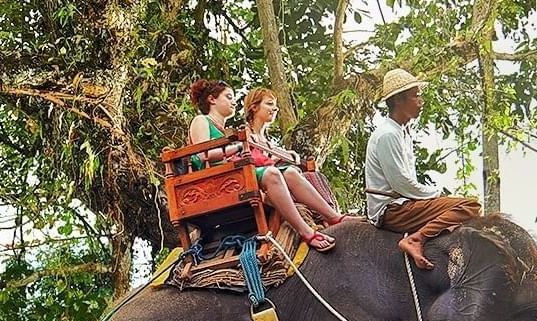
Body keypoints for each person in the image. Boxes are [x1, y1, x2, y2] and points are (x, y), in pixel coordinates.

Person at [188, 79, 336, 252]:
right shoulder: (201, 120)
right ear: (212, 99)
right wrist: (237, 147)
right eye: (228, 97)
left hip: (231, 175)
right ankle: (306, 232)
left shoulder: (224, 130)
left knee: (289, 172)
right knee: (272, 174)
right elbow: (201, 154)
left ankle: (333, 216)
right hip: (215, 182)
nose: (234, 101)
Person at [365, 68, 482, 270]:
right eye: (416, 96)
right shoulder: (388, 135)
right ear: (399, 101)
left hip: (405, 203)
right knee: (470, 206)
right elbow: (401, 184)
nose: (421, 101)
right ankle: (416, 239)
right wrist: (435, 193)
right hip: (395, 210)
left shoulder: (402, 132)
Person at [244, 87, 355, 229]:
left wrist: (284, 155)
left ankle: (331, 214)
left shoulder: (267, 141)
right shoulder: (246, 133)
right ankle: (327, 217)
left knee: (313, 175)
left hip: (276, 176)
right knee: (291, 172)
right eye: (269, 104)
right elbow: (254, 160)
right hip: (265, 182)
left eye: (275, 105)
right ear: (254, 107)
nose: (275, 108)